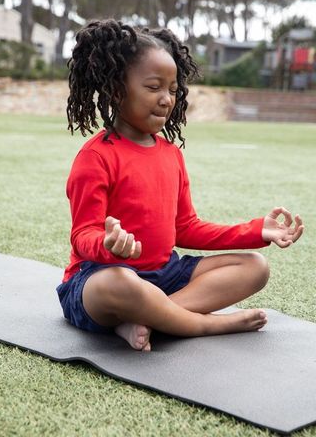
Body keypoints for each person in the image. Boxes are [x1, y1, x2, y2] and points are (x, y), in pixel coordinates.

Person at [56, 19, 304, 352]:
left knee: (254, 267)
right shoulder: (96, 157)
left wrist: (258, 232)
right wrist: (108, 245)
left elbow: (185, 228)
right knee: (120, 283)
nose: (166, 99)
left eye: (173, 90)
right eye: (153, 87)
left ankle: (149, 318)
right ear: (117, 89)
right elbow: (82, 235)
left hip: (166, 275)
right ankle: (201, 324)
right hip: (101, 277)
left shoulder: (171, 154)